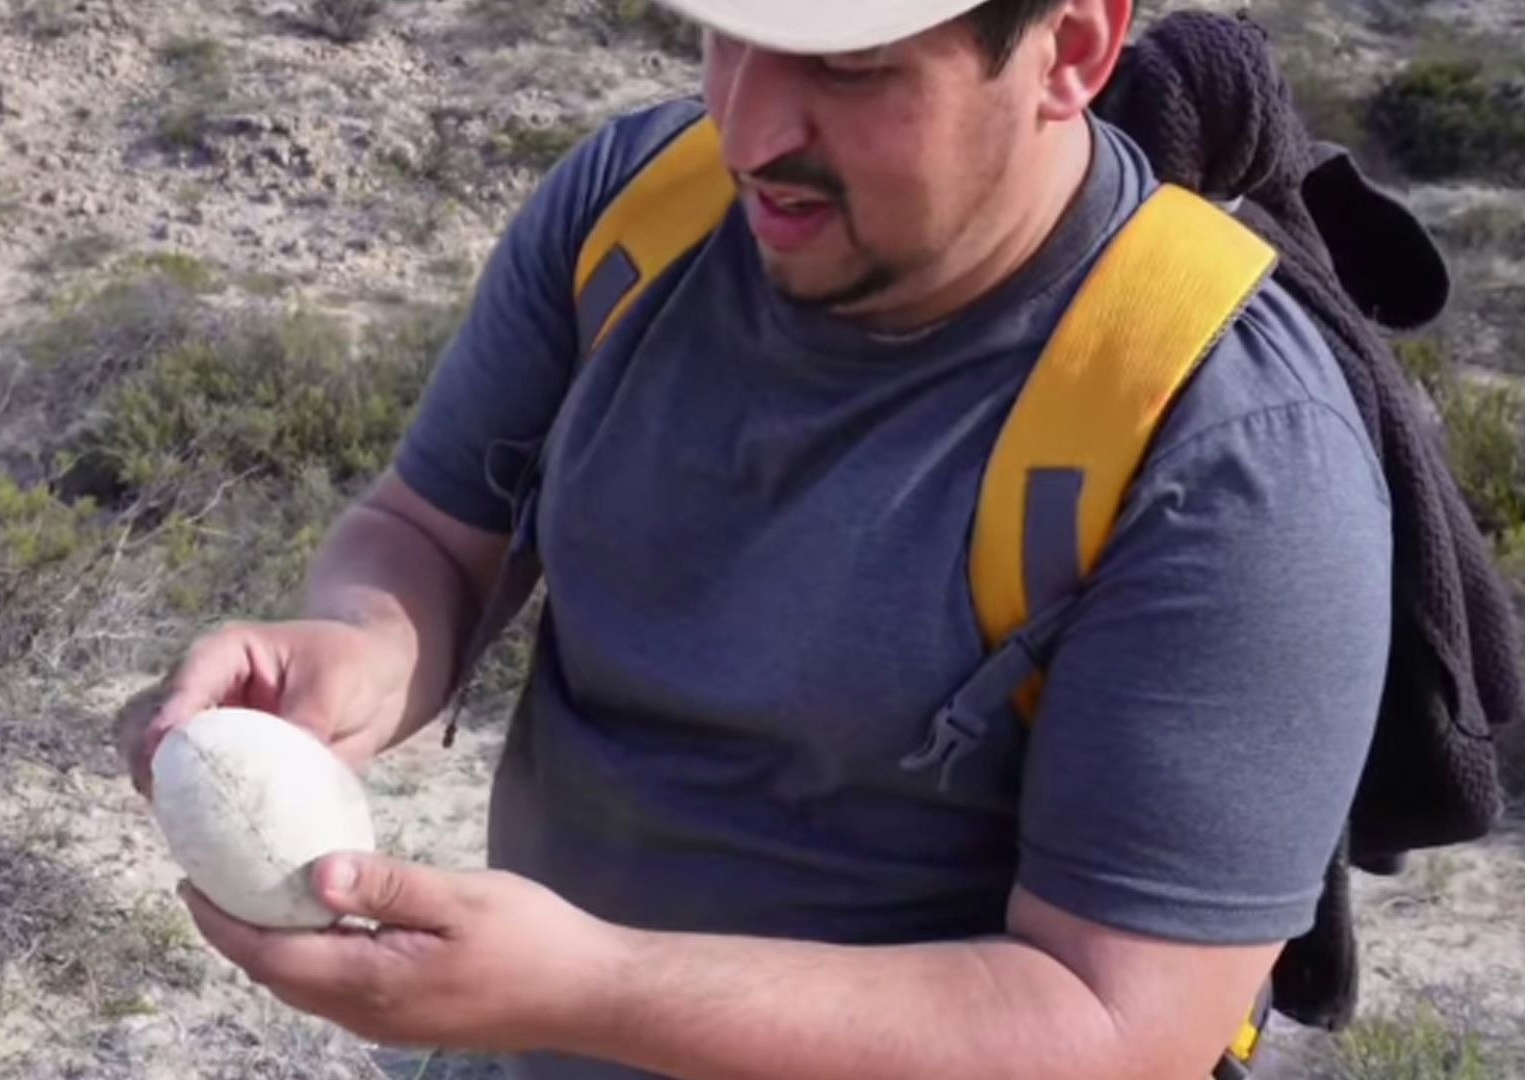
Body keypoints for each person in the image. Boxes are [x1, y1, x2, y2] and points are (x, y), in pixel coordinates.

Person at [115, 0, 1395, 1075]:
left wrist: (594, 988)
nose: (749, 127)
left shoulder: (1222, 445)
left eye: (848, 68)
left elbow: (1116, 1024)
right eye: (726, 33)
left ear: (1070, 47)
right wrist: (354, 655)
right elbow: (432, 539)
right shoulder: (636, 213)